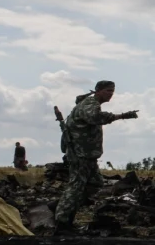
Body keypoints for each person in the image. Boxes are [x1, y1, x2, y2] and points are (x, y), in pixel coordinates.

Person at [54, 81, 138, 233]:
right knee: (76, 187)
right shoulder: (90, 103)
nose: (110, 94)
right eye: (107, 91)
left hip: (88, 155)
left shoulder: (90, 103)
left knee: (95, 183)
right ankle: (62, 222)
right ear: (98, 91)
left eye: (112, 91)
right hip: (81, 155)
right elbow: (94, 117)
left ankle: (66, 207)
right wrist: (121, 116)